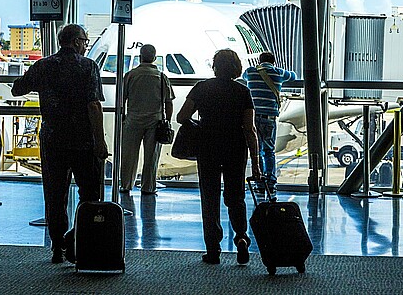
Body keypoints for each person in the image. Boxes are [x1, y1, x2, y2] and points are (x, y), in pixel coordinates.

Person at [11, 24, 109, 264]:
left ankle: (57, 247)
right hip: (83, 141)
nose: (86, 45)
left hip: (53, 138)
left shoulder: (43, 66)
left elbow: (16, 90)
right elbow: (94, 106)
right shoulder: (88, 66)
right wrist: (100, 141)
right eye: (85, 41)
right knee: (90, 194)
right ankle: (77, 241)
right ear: (77, 42)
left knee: (55, 195)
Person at [176, 49, 260, 265]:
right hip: (235, 147)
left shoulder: (202, 88)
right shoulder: (243, 91)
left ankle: (213, 249)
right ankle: (241, 237)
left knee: (210, 198)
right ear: (235, 67)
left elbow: (182, 116)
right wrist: (256, 163)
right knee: (236, 196)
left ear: (215, 66)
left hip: (208, 146)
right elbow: (249, 129)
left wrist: (199, 124)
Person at [120, 44, 175, 195]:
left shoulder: (130, 75)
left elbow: (122, 99)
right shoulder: (161, 76)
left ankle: (126, 184)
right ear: (154, 58)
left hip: (133, 120)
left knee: (129, 155)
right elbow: (168, 102)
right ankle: (148, 187)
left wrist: (123, 117)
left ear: (140, 56)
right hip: (155, 121)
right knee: (151, 157)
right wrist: (167, 121)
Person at [242, 51, 296, 195]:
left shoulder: (250, 71)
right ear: (273, 62)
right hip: (269, 118)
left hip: (252, 117)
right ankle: (271, 183)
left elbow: (243, 76)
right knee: (268, 151)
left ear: (259, 62)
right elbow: (294, 76)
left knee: (256, 151)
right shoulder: (278, 73)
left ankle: (259, 183)